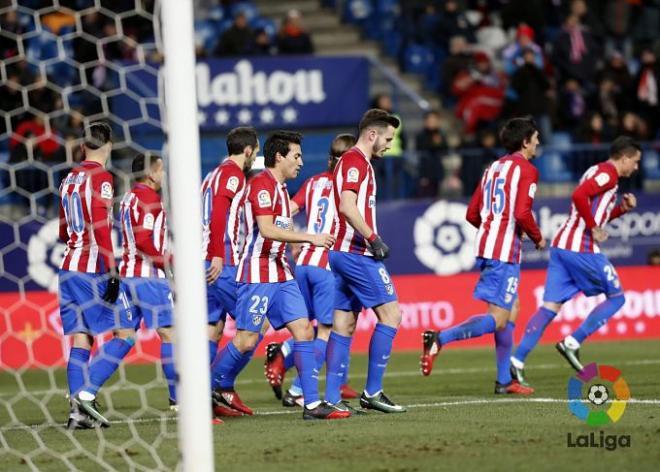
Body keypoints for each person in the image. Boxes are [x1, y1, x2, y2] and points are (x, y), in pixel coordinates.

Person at [210, 130, 349, 420]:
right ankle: (207, 389)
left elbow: (279, 231)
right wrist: (309, 238)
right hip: (258, 273)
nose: (301, 162)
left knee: (304, 330)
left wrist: (295, 242)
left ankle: (311, 404)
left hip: (281, 272)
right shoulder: (261, 184)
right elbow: (266, 229)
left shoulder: (283, 191)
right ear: (278, 157)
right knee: (247, 340)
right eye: (296, 156)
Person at [420, 116, 545, 395]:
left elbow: (472, 213)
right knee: (499, 318)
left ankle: (503, 381)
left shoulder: (492, 169)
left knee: (512, 309)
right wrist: (537, 237)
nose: (538, 142)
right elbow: (523, 213)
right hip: (504, 253)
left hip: (488, 246)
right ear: (525, 142)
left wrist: (492, 230)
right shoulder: (527, 170)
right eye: (535, 138)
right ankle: (439, 338)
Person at [511, 136, 641, 382]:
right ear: (624, 158)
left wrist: (621, 210)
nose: (636, 167)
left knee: (549, 307)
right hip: (580, 246)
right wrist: (593, 228)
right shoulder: (608, 174)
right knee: (617, 297)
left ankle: (517, 361)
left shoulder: (598, 171)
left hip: (562, 246)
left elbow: (592, 211)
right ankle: (572, 342)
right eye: (634, 162)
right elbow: (579, 195)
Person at [263, 134, 359, 407]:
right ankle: (295, 385)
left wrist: (294, 240)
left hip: (304, 263)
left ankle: (295, 358)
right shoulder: (349, 187)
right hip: (328, 266)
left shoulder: (313, 182)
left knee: (306, 327)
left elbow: (287, 211)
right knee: (327, 333)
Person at [323, 109, 406, 415]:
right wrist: (373, 238)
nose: (388, 144)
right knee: (392, 315)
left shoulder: (357, 162)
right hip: (357, 253)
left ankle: (332, 397)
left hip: (344, 252)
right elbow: (347, 205)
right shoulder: (356, 161)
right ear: (372, 135)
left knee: (344, 323)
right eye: (387, 138)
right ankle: (372, 391)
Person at [58, 122, 133, 429]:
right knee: (126, 332)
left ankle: (77, 413)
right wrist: (112, 269)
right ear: (109, 145)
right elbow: (100, 225)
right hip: (92, 269)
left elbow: (64, 229)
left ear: (82, 147)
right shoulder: (101, 177)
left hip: (68, 268)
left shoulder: (68, 180)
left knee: (81, 337)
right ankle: (86, 396)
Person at [203, 127, 260, 417]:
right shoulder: (232, 175)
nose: (256, 158)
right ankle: (217, 387)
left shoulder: (212, 174)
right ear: (248, 150)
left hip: (204, 260)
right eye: (256, 152)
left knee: (212, 331)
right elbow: (217, 214)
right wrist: (216, 254)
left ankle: (212, 402)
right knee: (254, 325)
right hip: (221, 260)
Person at [118, 153, 177, 411]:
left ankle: (85, 391)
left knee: (124, 337)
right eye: (161, 170)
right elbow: (143, 240)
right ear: (150, 174)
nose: (163, 175)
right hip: (149, 277)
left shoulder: (129, 197)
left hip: (127, 275)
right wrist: (169, 260)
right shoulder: (149, 198)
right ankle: (179, 398)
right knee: (170, 335)